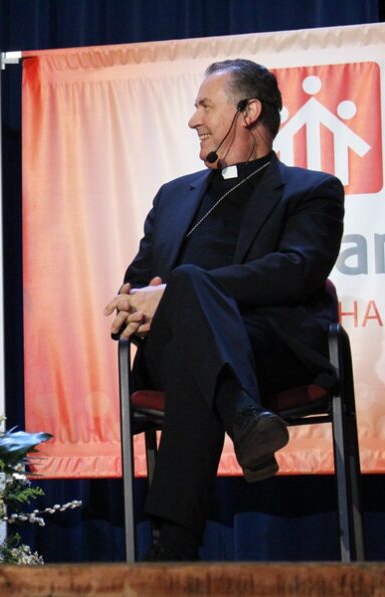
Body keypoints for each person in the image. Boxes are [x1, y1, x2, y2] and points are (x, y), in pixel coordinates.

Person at [103, 59, 344, 560]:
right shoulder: (173, 197)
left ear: (248, 112)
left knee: (191, 291)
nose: (193, 120)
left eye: (205, 106)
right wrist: (134, 302)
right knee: (190, 314)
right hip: (169, 349)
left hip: (268, 349)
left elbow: (298, 270)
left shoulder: (312, 191)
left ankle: (173, 548)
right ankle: (244, 416)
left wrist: (180, 291)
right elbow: (138, 277)